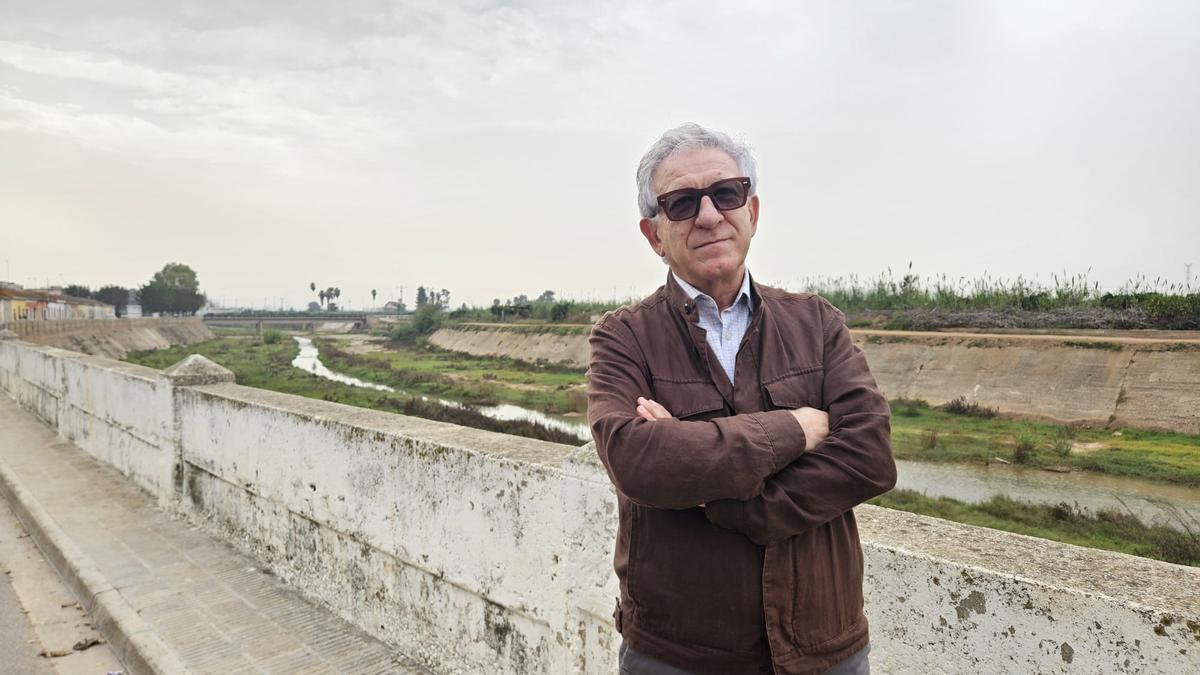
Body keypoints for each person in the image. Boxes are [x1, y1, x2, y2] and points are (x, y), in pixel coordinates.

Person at [587, 123, 896, 675]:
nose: (708, 216)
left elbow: (869, 456)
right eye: (681, 203)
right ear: (653, 234)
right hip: (678, 653)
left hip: (824, 648)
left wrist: (727, 502)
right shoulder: (624, 337)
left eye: (725, 194)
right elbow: (636, 460)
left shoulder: (817, 324)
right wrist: (798, 429)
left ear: (752, 209)